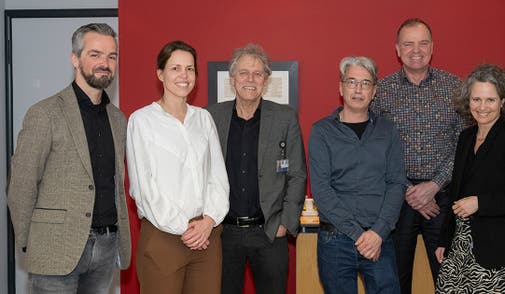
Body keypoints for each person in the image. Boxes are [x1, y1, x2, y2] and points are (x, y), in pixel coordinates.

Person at [7, 23, 131, 293]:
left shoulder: (118, 120)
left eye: (112, 56)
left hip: (106, 246)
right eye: (95, 54)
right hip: (54, 247)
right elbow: (22, 184)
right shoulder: (45, 113)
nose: (105, 63)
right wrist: (30, 242)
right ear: (75, 59)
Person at [371, 18, 467, 293]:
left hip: (444, 199)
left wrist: (434, 185)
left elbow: (465, 146)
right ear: (397, 50)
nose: (416, 49)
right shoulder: (381, 91)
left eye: (423, 43)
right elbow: (374, 149)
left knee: (448, 278)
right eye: (408, 43)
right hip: (396, 199)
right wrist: (409, 191)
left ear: (432, 47)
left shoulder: (455, 88)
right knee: (394, 280)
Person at [126, 40, 229, 293]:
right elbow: (143, 187)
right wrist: (185, 227)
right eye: (175, 68)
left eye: (190, 69)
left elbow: (218, 177)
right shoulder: (142, 121)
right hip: (164, 237)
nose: (184, 76)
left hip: (207, 236)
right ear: (160, 74)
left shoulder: (203, 119)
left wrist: (208, 221)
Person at [206, 44, 307, 294]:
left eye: (258, 73)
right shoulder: (210, 116)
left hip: (270, 232)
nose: (250, 79)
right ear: (232, 79)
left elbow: (297, 174)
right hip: (223, 234)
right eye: (243, 73)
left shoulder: (285, 117)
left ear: (266, 80)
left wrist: (286, 222)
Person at [435, 64, 505, 293]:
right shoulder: (465, 137)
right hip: (458, 248)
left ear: (503, 102)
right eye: (476, 99)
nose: (482, 107)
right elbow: (455, 193)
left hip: (495, 253)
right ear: (467, 101)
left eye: (490, 100)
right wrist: (445, 239)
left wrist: (480, 202)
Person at [309, 56, 407, 294]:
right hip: (335, 241)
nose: (358, 89)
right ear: (341, 87)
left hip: (379, 238)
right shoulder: (321, 131)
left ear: (374, 91)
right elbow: (322, 191)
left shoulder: (388, 130)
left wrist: (376, 233)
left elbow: (396, 184)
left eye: (365, 83)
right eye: (351, 81)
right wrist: (359, 235)